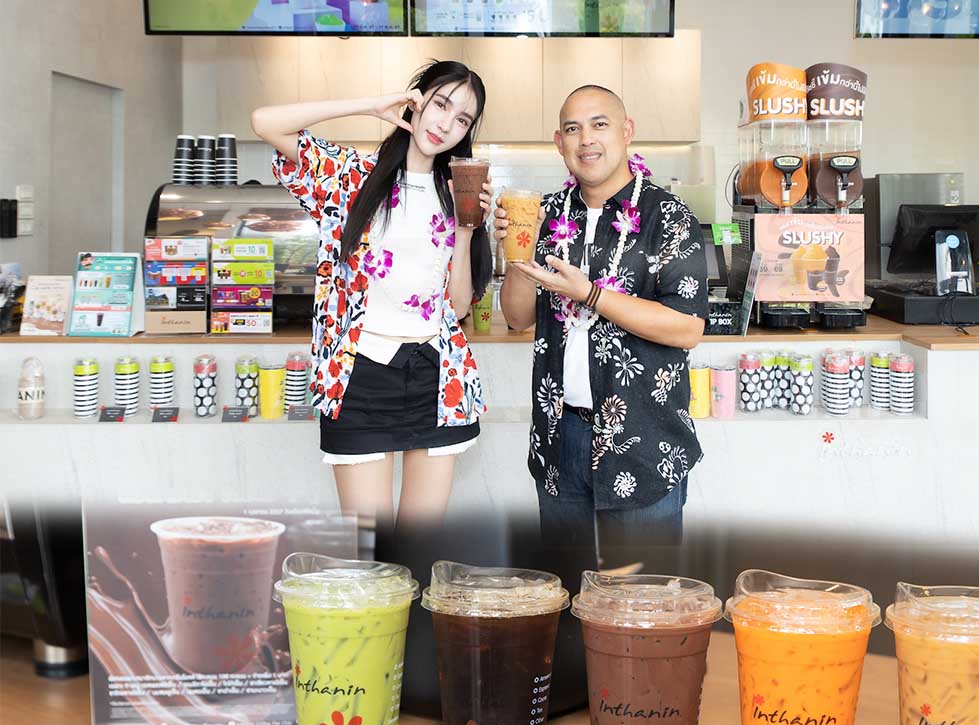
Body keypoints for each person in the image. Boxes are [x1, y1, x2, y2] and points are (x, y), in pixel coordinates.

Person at [251, 61, 492, 537]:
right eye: (440, 104)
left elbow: (459, 307)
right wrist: (371, 105)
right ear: (415, 101)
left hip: (438, 377)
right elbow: (265, 122)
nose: (445, 123)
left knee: (418, 550)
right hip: (358, 376)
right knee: (373, 556)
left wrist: (467, 229)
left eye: (462, 119)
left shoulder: (458, 191)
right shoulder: (350, 175)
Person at [494, 84, 708, 564]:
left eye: (599, 124)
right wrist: (517, 253)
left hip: (644, 438)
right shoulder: (547, 214)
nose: (586, 138)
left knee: (641, 596)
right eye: (573, 129)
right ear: (559, 143)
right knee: (565, 589)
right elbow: (518, 317)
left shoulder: (668, 216)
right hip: (560, 436)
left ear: (626, 131)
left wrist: (590, 294)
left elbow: (687, 327)